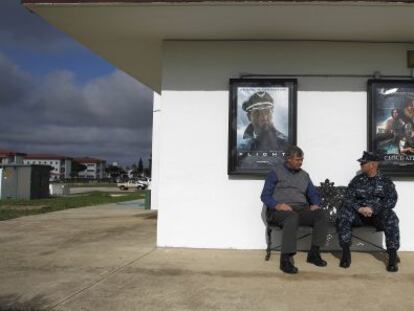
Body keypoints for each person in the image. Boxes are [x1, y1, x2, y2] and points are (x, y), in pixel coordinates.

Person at [260, 145, 328, 274]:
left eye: (302, 159)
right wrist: (278, 205)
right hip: (278, 211)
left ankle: (314, 254)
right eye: (298, 159)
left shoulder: (304, 175)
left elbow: (313, 194)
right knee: (291, 216)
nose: (300, 162)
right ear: (288, 159)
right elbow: (265, 196)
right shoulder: (275, 173)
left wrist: (316, 204)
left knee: (321, 214)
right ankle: (285, 259)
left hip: (300, 210)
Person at [337, 151, 400, 272]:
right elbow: (348, 199)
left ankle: (392, 257)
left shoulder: (385, 181)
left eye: (363, 163)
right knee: (344, 213)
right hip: (359, 216)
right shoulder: (357, 180)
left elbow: (392, 200)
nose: (360, 166)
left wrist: (373, 209)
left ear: (372, 165)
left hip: (377, 217)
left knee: (391, 217)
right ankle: (345, 253)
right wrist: (359, 208)